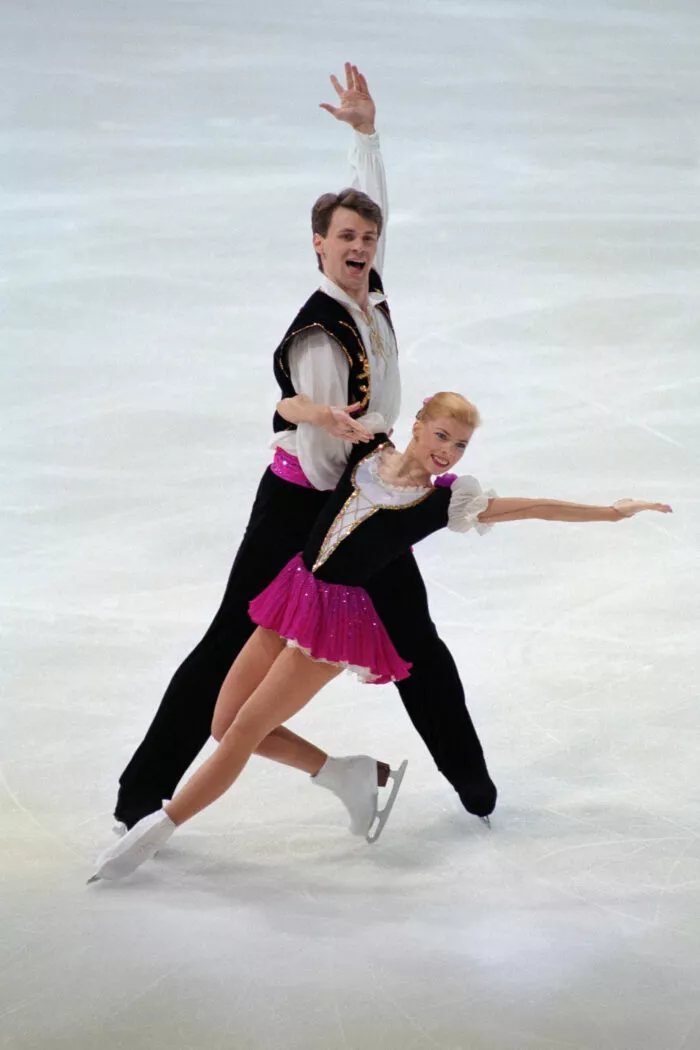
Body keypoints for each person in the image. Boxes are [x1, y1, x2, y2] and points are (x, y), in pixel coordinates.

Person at [113, 64, 499, 840]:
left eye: (367, 238)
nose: (359, 246)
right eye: (344, 238)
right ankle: (140, 796)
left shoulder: (370, 289)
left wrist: (366, 136)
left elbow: (371, 208)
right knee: (229, 641)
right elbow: (319, 445)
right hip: (309, 504)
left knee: (417, 641)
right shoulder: (322, 332)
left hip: (366, 494)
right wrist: (370, 496)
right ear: (317, 247)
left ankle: (477, 790)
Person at [91, 391, 672, 881]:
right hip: (293, 591)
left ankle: (155, 833)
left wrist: (611, 512)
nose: (447, 451)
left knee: (242, 731)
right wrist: (315, 413)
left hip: (334, 624)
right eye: (440, 435)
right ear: (416, 426)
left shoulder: (443, 502)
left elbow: (538, 507)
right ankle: (349, 774)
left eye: (459, 445)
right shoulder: (367, 448)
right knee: (223, 723)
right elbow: (286, 405)